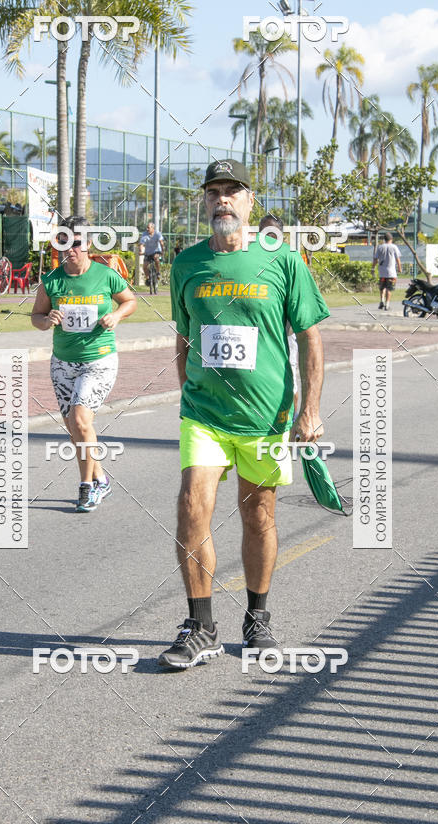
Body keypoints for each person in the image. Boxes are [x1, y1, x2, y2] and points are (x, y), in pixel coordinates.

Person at [158, 159, 329, 670]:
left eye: (233, 191)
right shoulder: (187, 263)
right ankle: (200, 625)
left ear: (250, 201)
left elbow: (310, 336)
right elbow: (184, 335)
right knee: (192, 506)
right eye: (214, 193)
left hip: (267, 417)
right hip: (204, 414)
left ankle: (258, 618)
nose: (223, 200)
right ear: (204, 203)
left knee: (259, 515)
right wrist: (187, 387)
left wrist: (310, 411)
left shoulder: (283, 261)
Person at [31, 217, 137, 512]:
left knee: (80, 420)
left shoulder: (105, 275)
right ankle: (101, 478)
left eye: (75, 243)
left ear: (88, 244)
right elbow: (36, 317)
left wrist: (116, 316)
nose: (69, 249)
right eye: (62, 242)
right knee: (76, 427)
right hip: (63, 363)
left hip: (99, 359)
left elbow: (130, 301)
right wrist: (47, 319)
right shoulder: (52, 281)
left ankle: (86, 487)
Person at [259, 214, 300, 417]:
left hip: (285, 337)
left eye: (271, 233)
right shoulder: (252, 260)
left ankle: (291, 422)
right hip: (259, 339)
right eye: (263, 232)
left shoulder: (289, 260)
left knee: (290, 384)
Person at [372, 232, 402, 310]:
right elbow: (398, 259)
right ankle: (387, 304)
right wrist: (399, 268)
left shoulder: (380, 247)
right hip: (391, 272)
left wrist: (373, 268)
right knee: (389, 288)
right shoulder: (394, 247)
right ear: (391, 239)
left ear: (384, 239)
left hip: (382, 271)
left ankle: (382, 301)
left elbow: (375, 259)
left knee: (382, 287)